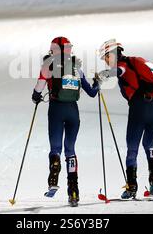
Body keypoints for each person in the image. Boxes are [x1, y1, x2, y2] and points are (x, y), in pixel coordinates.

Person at [97, 39, 153, 199]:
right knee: (149, 144)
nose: (106, 61)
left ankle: (131, 188)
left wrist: (102, 75)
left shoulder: (122, 65)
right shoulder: (137, 62)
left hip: (138, 108)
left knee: (132, 148)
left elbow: (117, 72)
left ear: (114, 54)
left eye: (106, 57)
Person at [32, 37, 99, 206]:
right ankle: (74, 192)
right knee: (70, 150)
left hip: (56, 109)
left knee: (55, 148)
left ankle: (53, 178)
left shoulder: (48, 65)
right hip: (73, 112)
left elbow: (38, 88)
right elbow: (91, 92)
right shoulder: (76, 66)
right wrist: (97, 83)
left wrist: (36, 97)